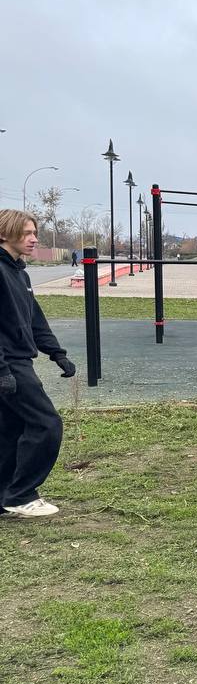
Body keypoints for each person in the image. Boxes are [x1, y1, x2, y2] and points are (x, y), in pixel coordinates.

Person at [0, 209, 76, 518]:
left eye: (35, 233)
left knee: (11, 430)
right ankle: (21, 494)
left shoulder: (19, 272)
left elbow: (34, 318)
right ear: (5, 233)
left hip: (18, 361)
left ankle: (5, 496)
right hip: (9, 364)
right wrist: (2, 369)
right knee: (47, 424)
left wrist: (56, 352)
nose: (34, 239)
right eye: (28, 233)